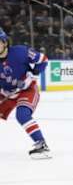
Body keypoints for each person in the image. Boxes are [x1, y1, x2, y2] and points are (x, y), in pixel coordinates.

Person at [0, 27, 50, 159]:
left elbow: (43, 59)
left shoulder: (21, 52)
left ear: (5, 42)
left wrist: (33, 74)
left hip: (27, 90)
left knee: (22, 115)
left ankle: (41, 144)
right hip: (6, 93)